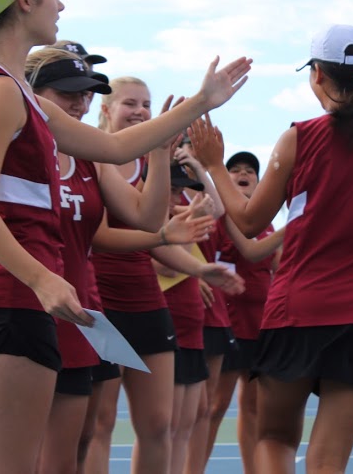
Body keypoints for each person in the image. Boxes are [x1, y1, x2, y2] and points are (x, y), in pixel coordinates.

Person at [0, 0, 251, 473]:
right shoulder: (2, 91)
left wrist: (201, 101)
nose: (61, 4)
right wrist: (40, 276)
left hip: (28, 302)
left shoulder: (21, 94)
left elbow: (113, 144)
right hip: (10, 300)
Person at [190, 24, 353, 474]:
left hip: (297, 311)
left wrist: (216, 165)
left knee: (275, 438)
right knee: (328, 461)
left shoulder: (299, 138)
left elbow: (249, 220)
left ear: (316, 74)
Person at [86, 77, 244, 473]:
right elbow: (118, 235)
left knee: (159, 423)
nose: (139, 111)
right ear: (105, 110)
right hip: (98, 303)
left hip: (144, 300)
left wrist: (199, 269)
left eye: (146, 103)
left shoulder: (149, 161)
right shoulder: (90, 156)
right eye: (129, 103)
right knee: (99, 422)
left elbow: (153, 232)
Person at [202, 151, 284, 474]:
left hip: (259, 325)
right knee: (214, 406)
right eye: (234, 169)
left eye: (249, 170)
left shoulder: (267, 223)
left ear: (258, 181)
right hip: (225, 323)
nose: (242, 173)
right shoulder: (219, 217)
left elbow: (281, 263)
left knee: (251, 408)